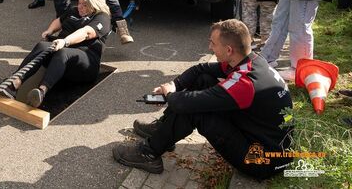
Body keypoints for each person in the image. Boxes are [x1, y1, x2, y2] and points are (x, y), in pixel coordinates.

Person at [113, 19, 294, 180]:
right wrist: (173, 85)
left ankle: (149, 153)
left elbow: (185, 103)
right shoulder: (251, 61)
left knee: (196, 110)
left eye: (213, 43)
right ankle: (163, 130)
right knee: (203, 81)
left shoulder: (245, 83)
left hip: (262, 161)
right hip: (265, 141)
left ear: (229, 50)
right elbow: (200, 69)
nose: (210, 48)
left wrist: (169, 95)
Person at [0, 0, 111, 107]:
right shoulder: (74, 11)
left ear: (94, 5)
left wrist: (65, 41)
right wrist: (49, 31)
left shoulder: (102, 17)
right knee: (42, 45)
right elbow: (59, 21)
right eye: (79, 3)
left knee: (63, 53)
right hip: (62, 54)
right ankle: (13, 85)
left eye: (85, 5)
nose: (80, 7)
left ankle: (41, 93)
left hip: (85, 63)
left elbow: (86, 32)